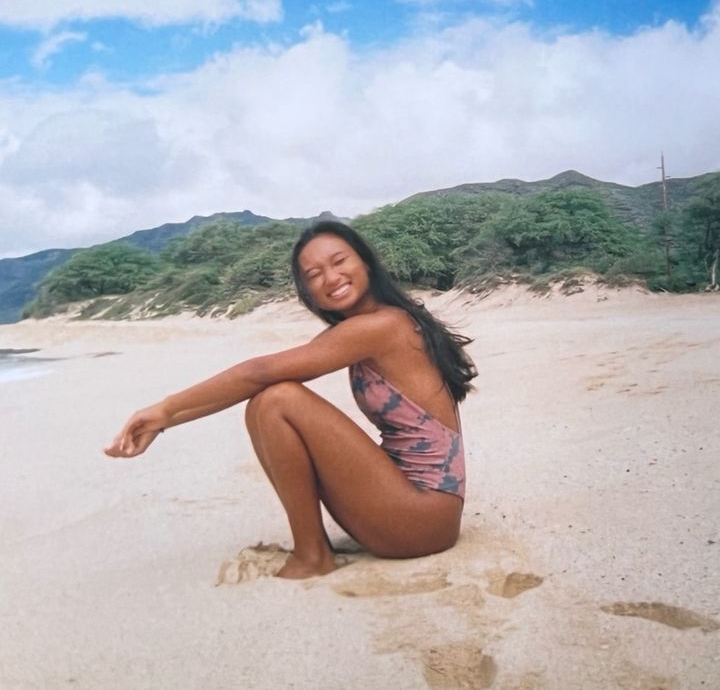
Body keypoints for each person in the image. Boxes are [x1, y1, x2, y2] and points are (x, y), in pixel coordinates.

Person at [105, 221, 477, 579]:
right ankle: (312, 550)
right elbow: (256, 381)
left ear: (365, 261)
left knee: (278, 400)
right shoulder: (365, 327)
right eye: (313, 274)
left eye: (339, 261)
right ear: (306, 289)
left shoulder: (382, 326)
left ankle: (312, 555)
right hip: (412, 506)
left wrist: (164, 409)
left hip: (424, 518)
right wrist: (165, 420)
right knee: (266, 402)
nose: (330, 278)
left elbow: (258, 372)